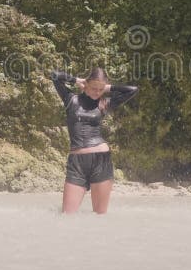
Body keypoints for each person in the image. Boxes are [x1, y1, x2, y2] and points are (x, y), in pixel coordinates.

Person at [50, 67, 139, 214]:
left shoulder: (104, 103)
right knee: (67, 215)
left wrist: (107, 87)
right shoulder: (70, 99)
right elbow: (55, 75)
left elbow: (133, 90)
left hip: (101, 161)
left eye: (100, 89)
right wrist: (77, 80)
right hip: (77, 163)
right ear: (86, 84)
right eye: (93, 88)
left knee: (99, 217)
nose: (97, 92)